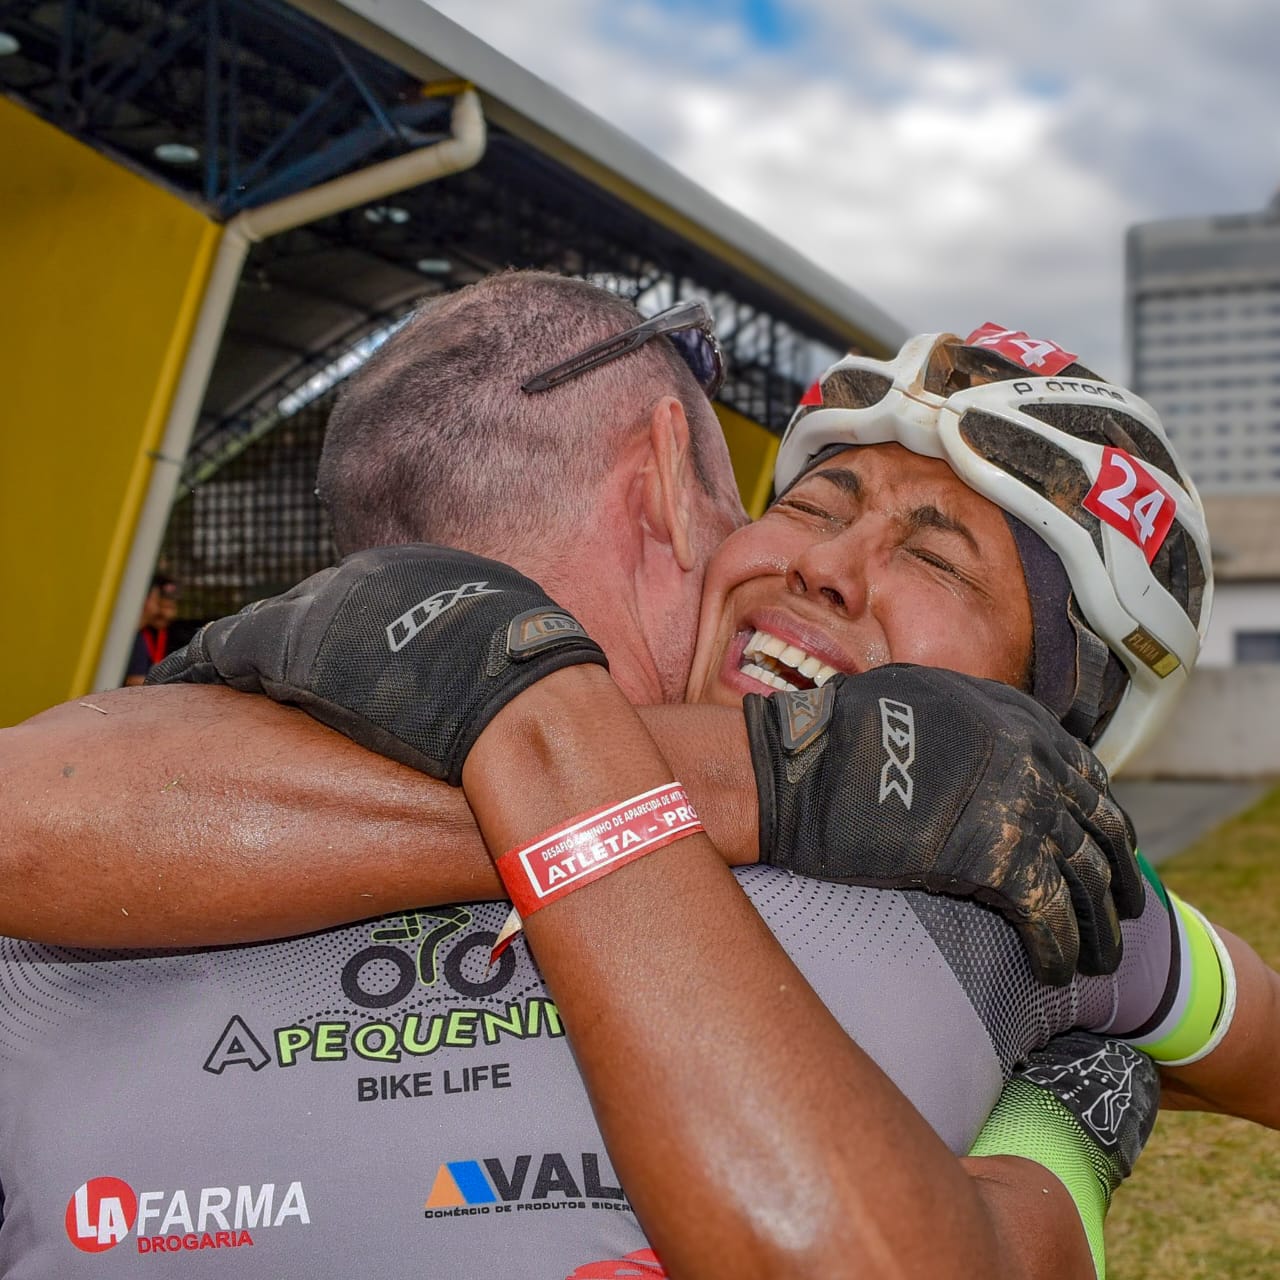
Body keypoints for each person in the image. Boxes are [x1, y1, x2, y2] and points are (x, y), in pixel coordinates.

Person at [0, 277, 1231, 1274]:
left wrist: (1058, 1136)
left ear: (1047, 729)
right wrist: (753, 770)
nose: (828, 568)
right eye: (811, 504)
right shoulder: (165, 790)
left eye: (941, 561)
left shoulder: (1027, 911)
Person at [123, 572, 179, 685]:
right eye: (158, 603)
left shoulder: (176, 636)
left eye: (171, 607)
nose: (164, 613)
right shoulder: (135, 637)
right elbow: (135, 682)